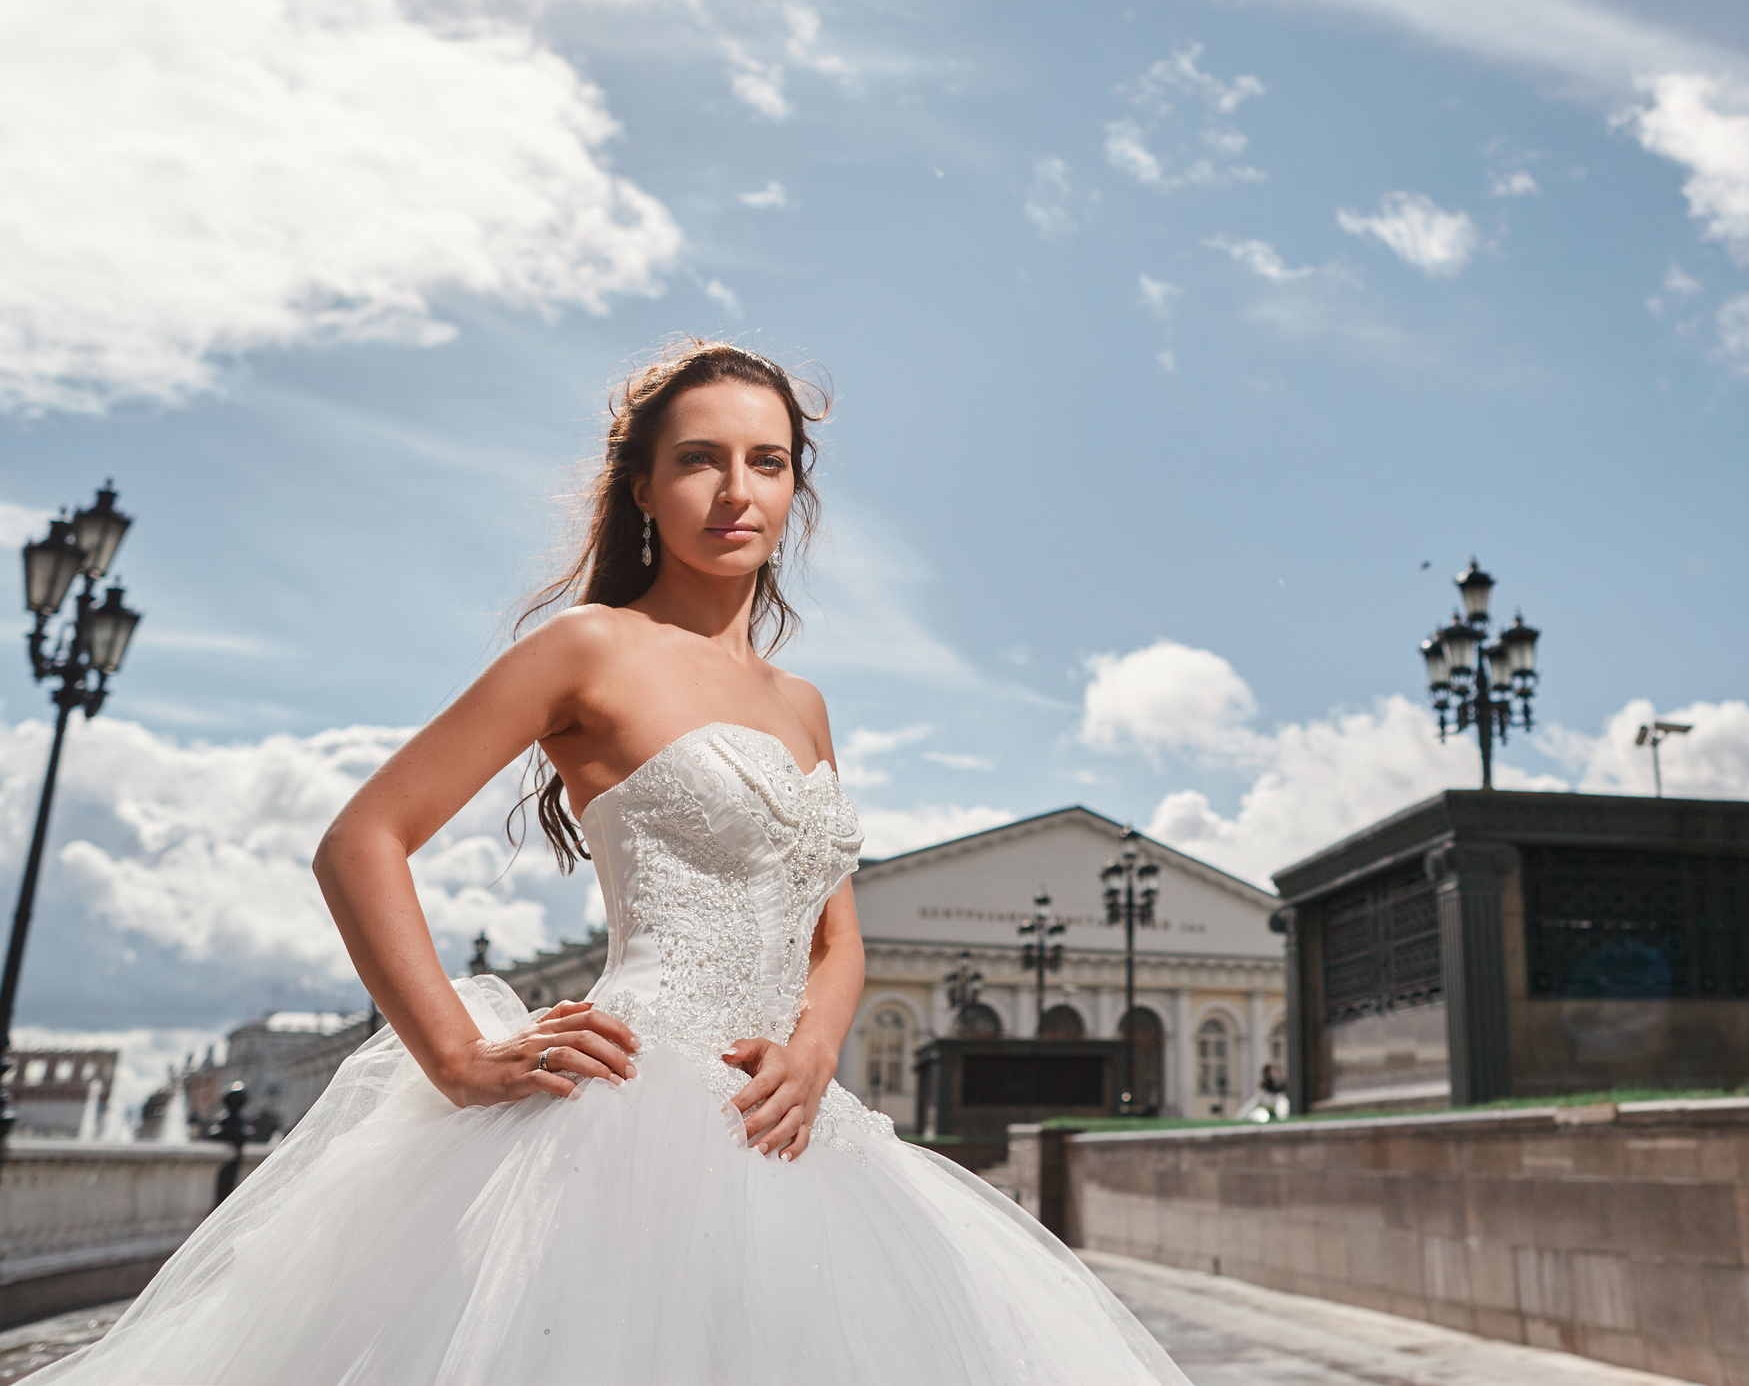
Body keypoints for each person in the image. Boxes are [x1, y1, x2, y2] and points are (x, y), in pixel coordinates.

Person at [39, 342, 1186, 1386]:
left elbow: (836, 935)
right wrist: (455, 1053)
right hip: (625, 1116)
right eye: (699, 459)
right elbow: (361, 841)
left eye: (766, 462)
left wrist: (813, 1052)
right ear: (641, 486)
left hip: (790, 1128)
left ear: (795, 490)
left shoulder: (805, 703)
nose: (736, 491)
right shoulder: (589, 649)